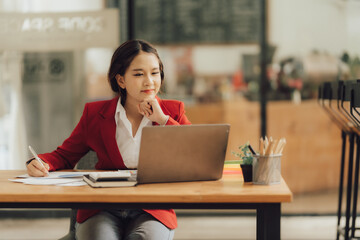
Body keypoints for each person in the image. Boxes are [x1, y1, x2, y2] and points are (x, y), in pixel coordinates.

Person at [26, 39, 191, 240]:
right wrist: (41, 162)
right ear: (121, 80)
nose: (149, 81)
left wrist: (163, 120)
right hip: (102, 206)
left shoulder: (173, 111)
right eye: (139, 74)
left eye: (155, 73)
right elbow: (64, 155)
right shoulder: (95, 114)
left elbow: (193, 154)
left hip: (152, 208)